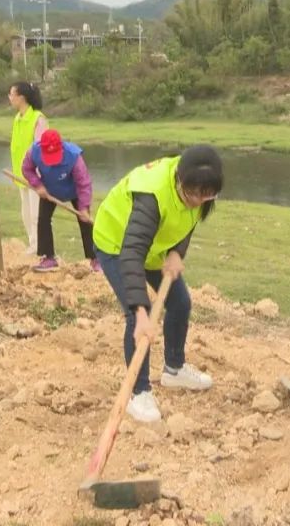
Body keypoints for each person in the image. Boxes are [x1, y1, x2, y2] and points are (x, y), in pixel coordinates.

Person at [93, 145, 223, 423]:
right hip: (117, 245)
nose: (198, 201)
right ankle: (137, 393)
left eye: (207, 195)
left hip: (154, 247)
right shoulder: (152, 195)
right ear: (179, 181)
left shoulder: (198, 190)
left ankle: (173, 369)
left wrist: (177, 251)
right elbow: (131, 253)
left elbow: (186, 221)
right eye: (193, 194)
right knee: (137, 316)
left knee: (180, 302)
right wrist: (140, 311)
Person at [21, 129, 95, 272]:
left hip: (74, 191)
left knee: (85, 222)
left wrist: (84, 207)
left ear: (61, 147)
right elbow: (26, 169)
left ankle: (95, 259)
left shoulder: (73, 156)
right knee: (43, 220)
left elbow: (84, 183)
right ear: (41, 148)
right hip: (49, 190)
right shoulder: (34, 152)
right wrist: (38, 185)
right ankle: (48, 258)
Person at [7, 81, 49, 255]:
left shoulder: (38, 118)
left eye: (12, 94)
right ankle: (33, 243)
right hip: (20, 174)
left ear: (21, 98)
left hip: (35, 175)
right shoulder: (18, 118)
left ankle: (41, 247)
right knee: (25, 213)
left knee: (36, 214)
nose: (9, 98)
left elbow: (41, 148)